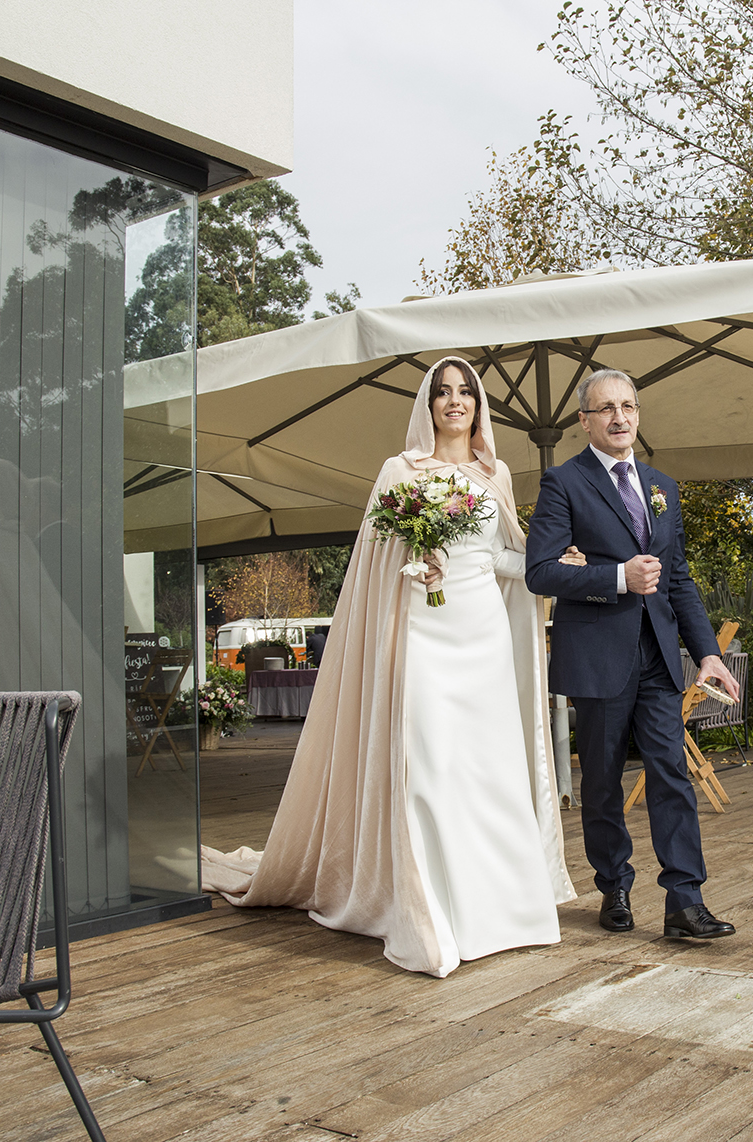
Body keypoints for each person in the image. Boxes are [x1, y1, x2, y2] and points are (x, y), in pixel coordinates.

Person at [201, 357, 579, 977]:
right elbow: (373, 563)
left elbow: (506, 561)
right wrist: (417, 560)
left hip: (482, 635)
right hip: (423, 633)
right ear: (427, 406)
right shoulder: (398, 471)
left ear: (479, 407)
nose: (455, 402)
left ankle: (504, 912)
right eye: (443, 393)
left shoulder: (497, 473)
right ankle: (430, 911)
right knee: (428, 766)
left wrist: (556, 564)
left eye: (465, 393)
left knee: (486, 770)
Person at [526, 368, 742, 940]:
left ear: (638, 414)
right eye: (606, 409)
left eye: (628, 406)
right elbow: (540, 572)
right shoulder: (563, 483)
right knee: (601, 780)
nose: (619, 417)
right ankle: (613, 884)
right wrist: (617, 577)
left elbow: (679, 581)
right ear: (584, 420)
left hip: (658, 658)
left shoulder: (662, 487)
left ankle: (684, 902)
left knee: (671, 771)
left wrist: (706, 654)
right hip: (597, 656)